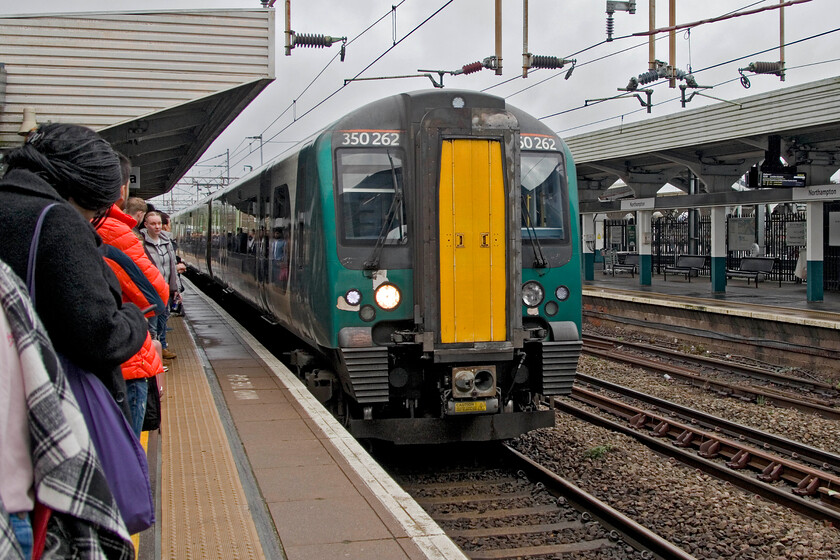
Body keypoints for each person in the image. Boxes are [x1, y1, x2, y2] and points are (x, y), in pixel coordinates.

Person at [0, 123, 147, 418]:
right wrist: (134, 318)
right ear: (82, 190)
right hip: (54, 408)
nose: (95, 217)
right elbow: (103, 337)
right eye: (97, 208)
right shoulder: (58, 223)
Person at [0, 259, 134, 559]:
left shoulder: (7, 283)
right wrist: (135, 319)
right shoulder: (9, 284)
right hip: (20, 508)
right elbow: (104, 333)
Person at [95, 153, 168, 436]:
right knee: (126, 455)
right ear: (122, 188)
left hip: (93, 367)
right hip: (126, 362)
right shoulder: (115, 232)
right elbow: (156, 299)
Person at [142, 211, 179, 359]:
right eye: (153, 224)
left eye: (158, 223)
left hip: (165, 289)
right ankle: (153, 354)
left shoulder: (166, 242)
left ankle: (162, 347)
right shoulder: (142, 243)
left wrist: (175, 287)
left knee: (163, 319)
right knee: (152, 323)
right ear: (146, 225)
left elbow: (172, 264)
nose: (157, 227)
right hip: (151, 289)